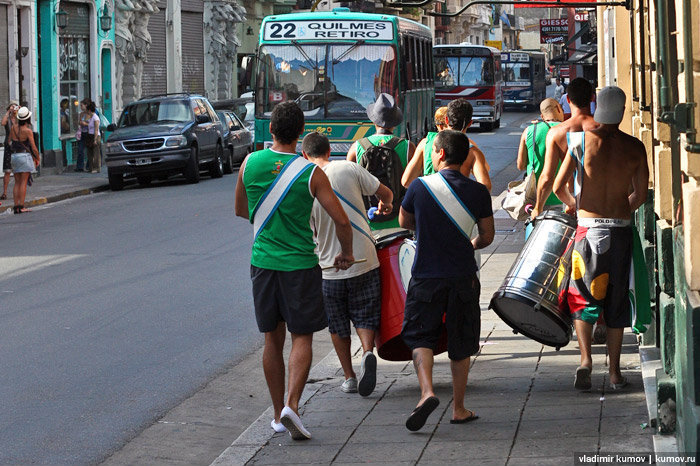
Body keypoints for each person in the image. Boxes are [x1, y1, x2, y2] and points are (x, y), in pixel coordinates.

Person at [234, 101, 354, 440]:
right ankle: (293, 406)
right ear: (301, 134)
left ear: (271, 130)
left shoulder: (250, 163)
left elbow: (242, 210)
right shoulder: (311, 173)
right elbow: (341, 221)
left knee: (272, 338)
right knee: (302, 336)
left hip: (263, 263)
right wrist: (344, 253)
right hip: (300, 265)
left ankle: (276, 415)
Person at [552, 86, 648, 391]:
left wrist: (575, 204)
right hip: (619, 231)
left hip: (587, 231)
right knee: (616, 302)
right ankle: (616, 373)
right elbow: (641, 194)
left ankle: (585, 361)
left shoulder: (579, 141)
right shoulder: (635, 147)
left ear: (598, 106)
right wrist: (622, 210)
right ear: (621, 112)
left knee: (582, 298)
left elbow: (558, 187)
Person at [399, 130, 495, 431]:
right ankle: (459, 407)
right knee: (461, 341)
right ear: (466, 156)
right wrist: (472, 243)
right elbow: (487, 236)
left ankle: (427, 391)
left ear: (439, 154)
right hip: (463, 277)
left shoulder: (419, 187)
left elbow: (404, 223)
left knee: (420, 336)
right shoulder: (479, 192)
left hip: (426, 275)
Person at [303, 131, 394, 397]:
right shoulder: (348, 167)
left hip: (330, 266)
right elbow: (385, 192)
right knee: (365, 313)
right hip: (364, 258)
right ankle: (367, 351)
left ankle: (349, 376)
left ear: (306, 155)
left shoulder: (304, 182)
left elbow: (311, 232)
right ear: (330, 151)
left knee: (337, 323)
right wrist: (385, 205)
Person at [346, 93, 415, 231]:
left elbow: (349, 184)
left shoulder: (357, 147)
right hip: (399, 223)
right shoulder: (408, 147)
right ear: (395, 123)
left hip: (367, 223)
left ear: (374, 121)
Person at [532, 77, 597, 219]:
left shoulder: (557, 133)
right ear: (592, 98)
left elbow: (547, 177)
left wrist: (538, 207)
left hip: (571, 198)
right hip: (599, 200)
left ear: (567, 100)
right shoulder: (601, 129)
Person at [401, 99, 492, 193]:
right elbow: (486, 186)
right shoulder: (472, 150)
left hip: (430, 202)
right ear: (470, 123)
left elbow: (406, 181)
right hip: (457, 203)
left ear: (446, 120)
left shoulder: (425, 143)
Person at [516, 98, 565, 238]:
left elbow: (520, 165)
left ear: (542, 116)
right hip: (561, 198)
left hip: (535, 200)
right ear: (559, 109)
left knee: (534, 241)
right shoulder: (566, 130)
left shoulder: (529, 130)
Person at [400, 107, 448, 186]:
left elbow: (406, 181)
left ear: (439, 126)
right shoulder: (467, 144)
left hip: (431, 191)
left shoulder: (425, 143)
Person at [8, 107, 40, 214]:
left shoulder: (13, 128)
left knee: (16, 182)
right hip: (24, 156)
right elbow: (33, 147)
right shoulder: (27, 131)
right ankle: (21, 205)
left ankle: (16, 206)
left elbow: (10, 141)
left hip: (14, 156)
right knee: (23, 182)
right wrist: (37, 157)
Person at [2, 101, 18, 200]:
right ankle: (4, 192)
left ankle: (17, 191)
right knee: (7, 170)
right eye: (12, 106)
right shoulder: (7, 119)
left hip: (18, 145)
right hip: (9, 145)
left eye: (15, 106)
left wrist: (20, 112)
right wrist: (8, 112)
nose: (14, 108)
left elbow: (26, 124)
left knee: (18, 171)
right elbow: (2, 123)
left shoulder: (19, 118)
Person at [85, 101, 102, 173]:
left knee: (96, 153)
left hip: (95, 136)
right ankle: (91, 168)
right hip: (90, 136)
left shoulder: (95, 118)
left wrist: (95, 140)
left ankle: (97, 168)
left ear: (89, 110)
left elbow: (96, 130)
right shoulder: (91, 117)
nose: (86, 111)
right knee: (89, 153)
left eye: (87, 110)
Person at [75, 99, 90, 172]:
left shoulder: (90, 114)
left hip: (89, 133)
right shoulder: (81, 114)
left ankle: (89, 166)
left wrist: (85, 124)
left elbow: (93, 124)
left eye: (81, 105)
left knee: (89, 150)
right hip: (82, 134)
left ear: (86, 105)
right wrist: (81, 123)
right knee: (80, 150)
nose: (80, 107)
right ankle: (79, 167)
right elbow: (79, 122)